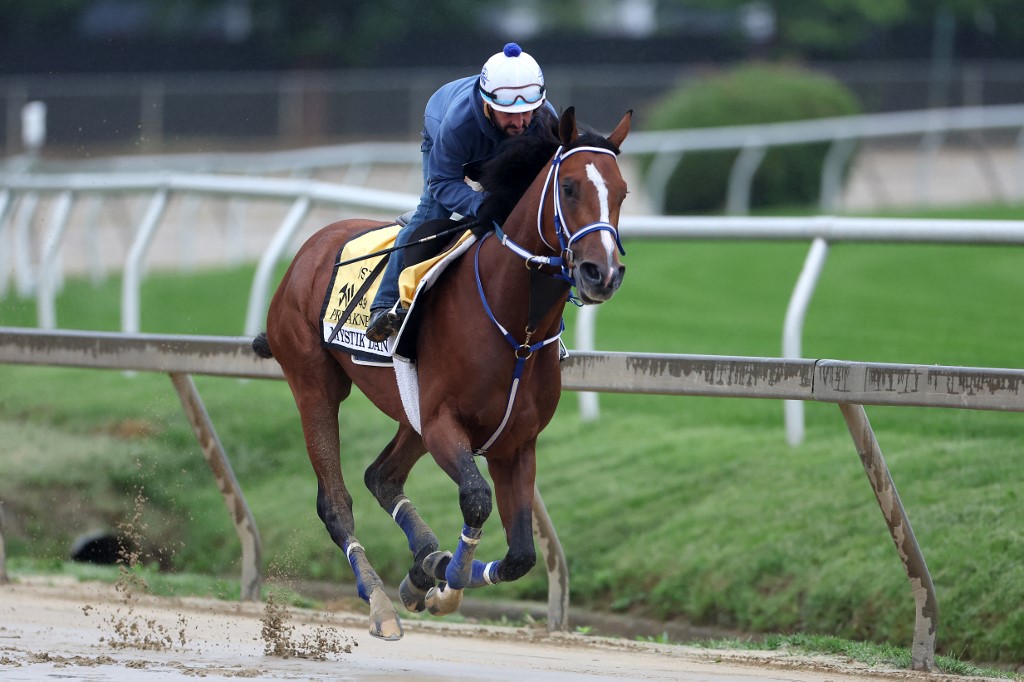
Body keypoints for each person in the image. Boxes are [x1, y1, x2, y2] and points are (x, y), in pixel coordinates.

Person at [365, 42, 556, 343]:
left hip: (499, 153)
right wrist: (481, 204)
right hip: (446, 137)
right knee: (431, 217)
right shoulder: (459, 123)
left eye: (527, 112)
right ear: (487, 104)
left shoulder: (545, 119)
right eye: (509, 114)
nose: (520, 122)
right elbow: (442, 183)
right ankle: (383, 305)